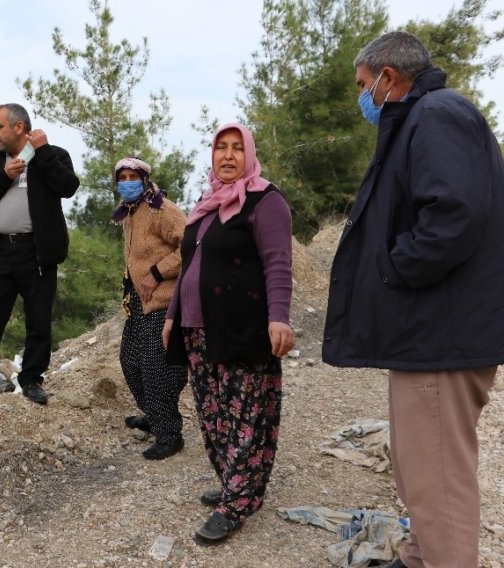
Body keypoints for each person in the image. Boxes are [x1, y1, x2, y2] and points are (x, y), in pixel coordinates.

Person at [323, 31, 504, 568]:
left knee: (439, 479)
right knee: (419, 468)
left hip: (441, 335)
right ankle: (419, 558)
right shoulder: (423, 120)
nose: (363, 97)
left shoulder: (437, 114)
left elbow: (454, 214)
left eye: (364, 85)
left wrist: (395, 267)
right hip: (429, 334)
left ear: (388, 77)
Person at [163, 123, 295, 544]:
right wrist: (171, 316)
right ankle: (235, 485)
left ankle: (236, 504)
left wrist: (279, 317)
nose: (228, 156)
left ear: (249, 154)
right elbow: (188, 269)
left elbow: (278, 263)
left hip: (244, 327)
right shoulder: (205, 204)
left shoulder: (265, 201)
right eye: (221, 148)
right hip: (198, 329)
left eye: (238, 149)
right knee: (214, 415)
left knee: (245, 417)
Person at [0, 103, 79, 405]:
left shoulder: (53, 154)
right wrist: (4, 175)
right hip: (1, 252)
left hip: (37, 253)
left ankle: (32, 379)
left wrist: (45, 152)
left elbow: (68, 187)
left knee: (38, 320)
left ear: (19, 127)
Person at [113, 156, 188, 460]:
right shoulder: (130, 212)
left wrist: (158, 272)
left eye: (134, 176)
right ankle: (154, 415)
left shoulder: (162, 210)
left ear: (144, 179)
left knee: (158, 369)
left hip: (164, 300)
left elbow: (191, 245)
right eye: (123, 177)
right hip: (139, 302)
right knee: (130, 361)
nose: (128, 182)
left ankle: (170, 434)